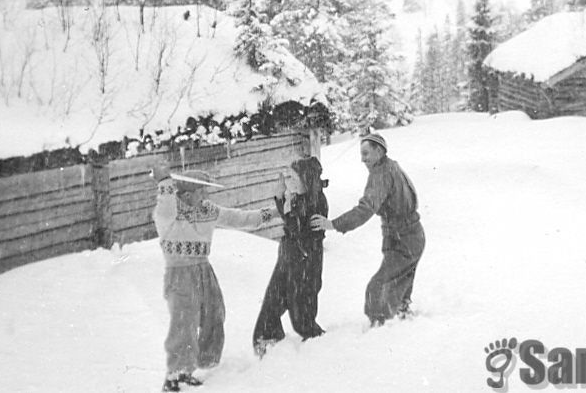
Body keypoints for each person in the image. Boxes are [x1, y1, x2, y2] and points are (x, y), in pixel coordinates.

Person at [152, 166, 281, 392]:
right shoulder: (168, 214)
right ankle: (175, 375)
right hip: (180, 273)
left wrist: (276, 211)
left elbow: (240, 218)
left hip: (204, 269)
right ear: (188, 194)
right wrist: (164, 180)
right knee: (185, 323)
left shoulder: (207, 210)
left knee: (215, 313)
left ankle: (201, 362)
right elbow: (165, 202)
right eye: (202, 191)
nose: (206, 196)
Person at [310, 132, 425, 326]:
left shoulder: (382, 174)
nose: (362, 159)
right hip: (409, 235)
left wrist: (334, 224)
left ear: (379, 151)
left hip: (403, 237)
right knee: (400, 283)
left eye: (366, 154)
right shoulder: (391, 166)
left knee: (377, 288)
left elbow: (366, 208)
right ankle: (402, 321)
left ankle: (379, 331)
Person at [252, 156, 329, 356]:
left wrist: (286, 208)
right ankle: (267, 340)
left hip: (305, 261)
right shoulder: (298, 197)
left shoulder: (316, 201)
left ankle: (318, 345)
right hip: (289, 257)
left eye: (294, 178)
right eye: (289, 177)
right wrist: (281, 200)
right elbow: (292, 222)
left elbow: (303, 233)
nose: (289, 182)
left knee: (301, 312)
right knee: (273, 299)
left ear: (307, 179)